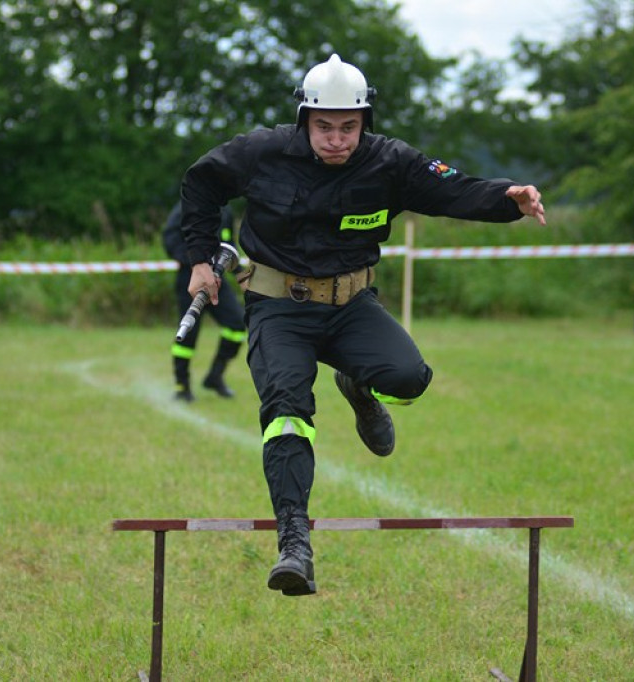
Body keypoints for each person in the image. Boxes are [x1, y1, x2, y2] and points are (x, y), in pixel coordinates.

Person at [179, 54, 545, 597]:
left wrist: (507, 198)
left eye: (348, 127)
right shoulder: (261, 151)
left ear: (364, 122)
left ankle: (358, 385)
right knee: (285, 410)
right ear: (304, 118)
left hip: (351, 306)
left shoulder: (390, 162)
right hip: (279, 307)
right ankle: (294, 542)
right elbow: (202, 183)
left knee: (409, 377)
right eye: (324, 126)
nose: (336, 139)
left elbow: (453, 188)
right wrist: (202, 258)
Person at [162, 201, 246, 401]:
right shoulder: (186, 206)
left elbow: (228, 247)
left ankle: (214, 377)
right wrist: (195, 262)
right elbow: (170, 238)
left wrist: (243, 276)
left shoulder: (225, 210)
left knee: (237, 325)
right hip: (189, 278)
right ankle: (182, 386)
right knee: (187, 335)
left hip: (218, 281)